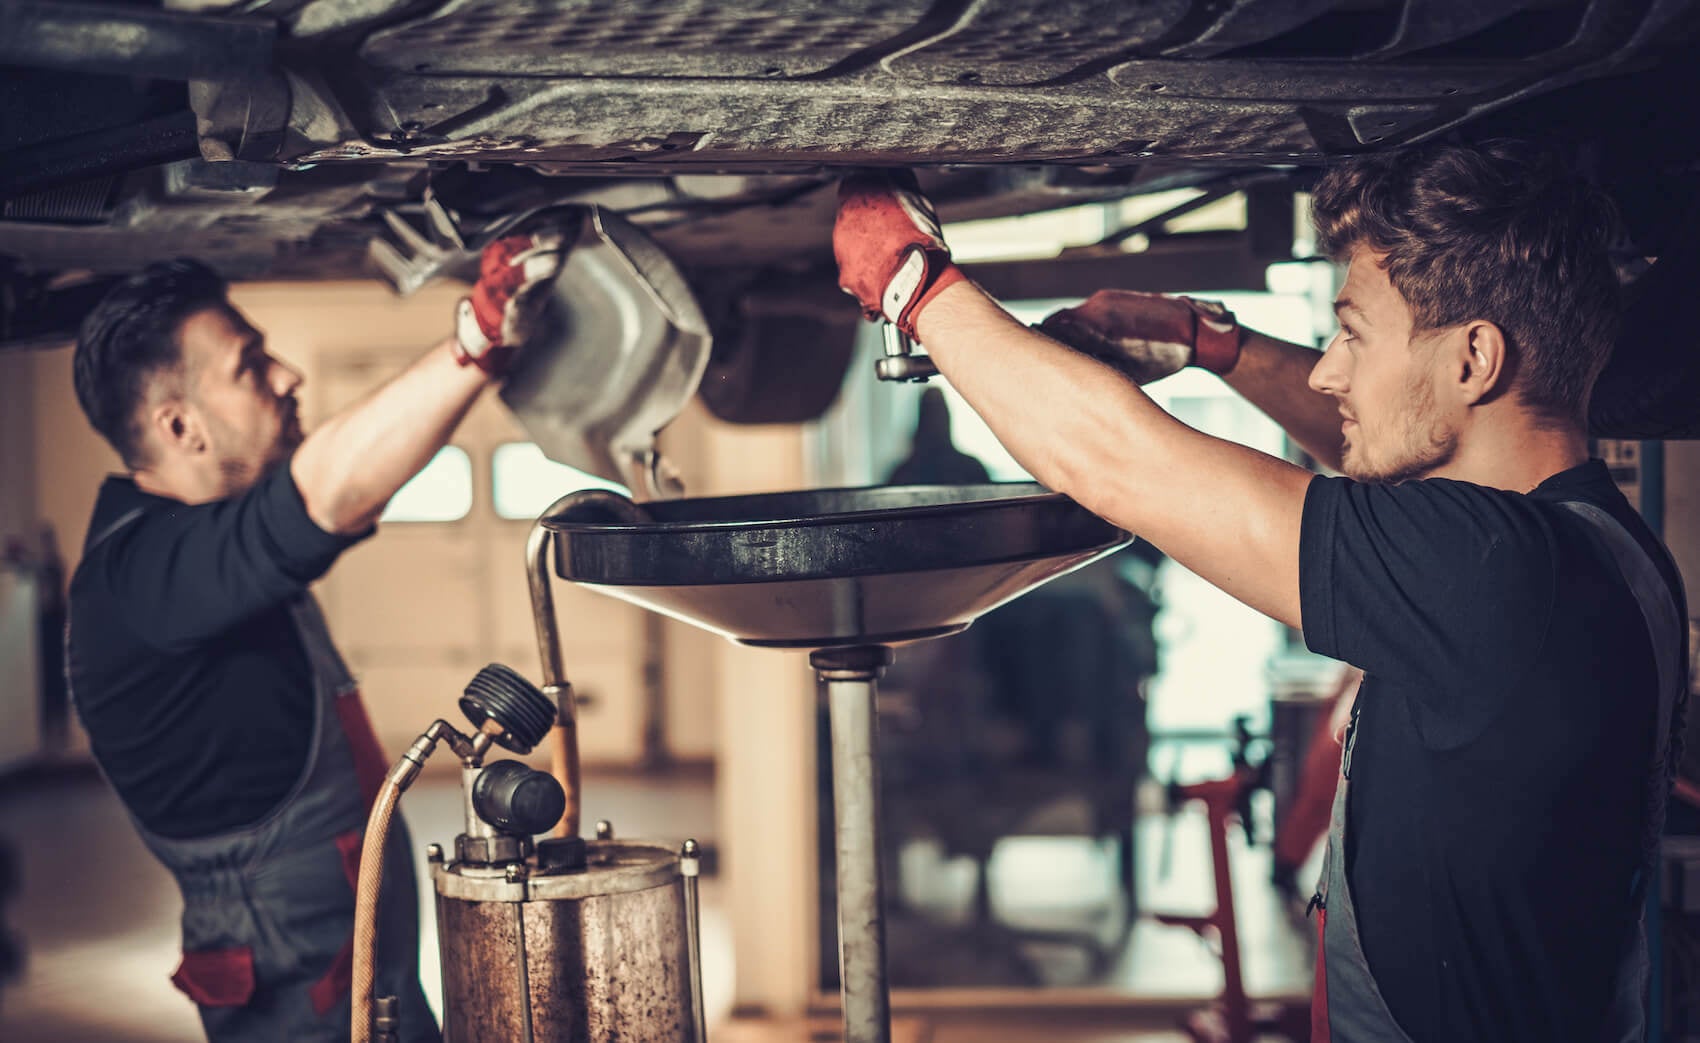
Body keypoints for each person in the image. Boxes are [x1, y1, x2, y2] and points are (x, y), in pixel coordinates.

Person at [833, 142, 1687, 1042]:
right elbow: (1389, 448)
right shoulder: (1598, 546)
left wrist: (913, 285)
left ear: (1475, 358)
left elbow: (1115, 462)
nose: (1326, 370)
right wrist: (1212, 345)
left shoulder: (1492, 578)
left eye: (1352, 333)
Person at [63, 219, 573, 1042]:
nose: (288, 375)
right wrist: (476, 340)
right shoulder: (139, 578)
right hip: (292, 971)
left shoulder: (194, 554)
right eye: (249, 364)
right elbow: (322, 498)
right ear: (180, 427)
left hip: (351, 935)